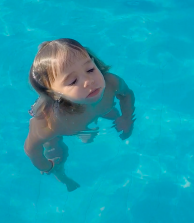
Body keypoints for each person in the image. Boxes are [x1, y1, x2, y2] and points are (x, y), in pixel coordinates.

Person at [24, 38, 135, 192]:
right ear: (54, 93)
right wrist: (45, 165)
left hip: (99, 109)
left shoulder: (111, 84)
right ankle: (61, 176)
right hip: (68, 119)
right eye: (73, 81)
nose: (88, 81)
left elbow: (126, 95)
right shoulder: (51, 122)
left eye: (90, 69)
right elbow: (31, 148)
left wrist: (126, 117)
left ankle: (86, 131)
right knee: (55, 151)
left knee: (111, 113)